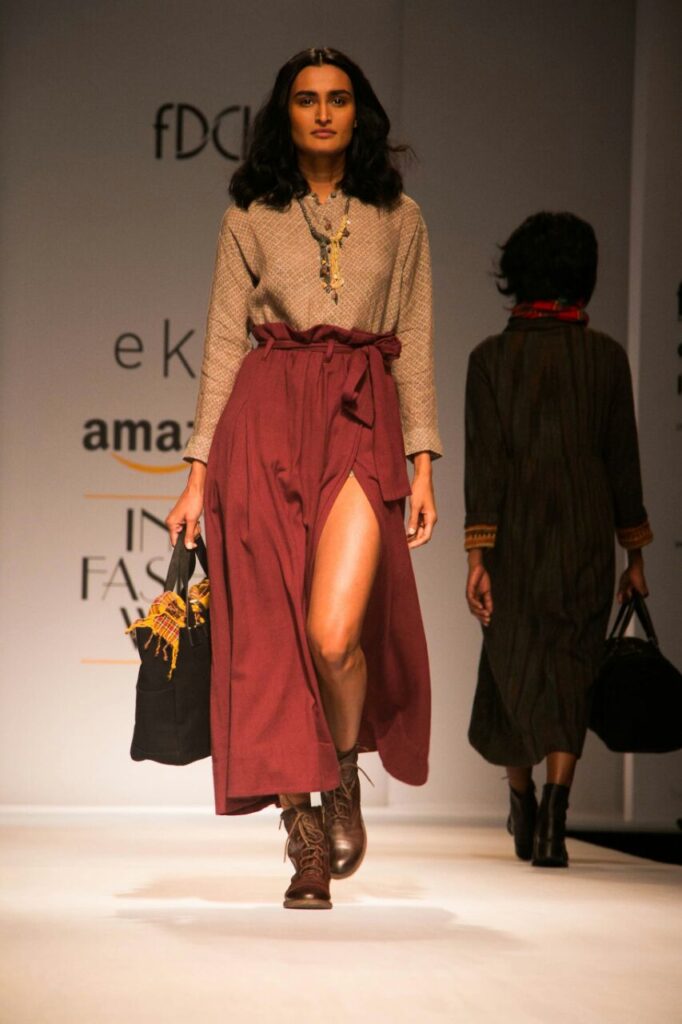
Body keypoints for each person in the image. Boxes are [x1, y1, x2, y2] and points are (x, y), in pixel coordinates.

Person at [165, 47, 443, 909]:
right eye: (307, 99)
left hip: (360, 414)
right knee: (270, 643)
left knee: (331, 636)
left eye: (338, 98)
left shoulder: (400, 217)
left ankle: (343, 770)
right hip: (264, 420)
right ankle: (305, 841)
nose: (323, 112)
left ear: (360, 114)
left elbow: (414, 342)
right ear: (284, 115)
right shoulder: (250, 215)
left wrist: (423, 461)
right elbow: (223, 343)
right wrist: (197, 471)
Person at [464, 212, 652, 868]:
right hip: (584, 536)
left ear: (516, 273)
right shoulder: (605, 358)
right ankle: (554, 813)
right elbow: (623, 464)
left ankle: (521, 805)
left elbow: (484, 466)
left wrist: (477, 556)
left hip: (513, 540)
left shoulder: (490, 360)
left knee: (510, 665)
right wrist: (634, 555)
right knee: (572, 667)